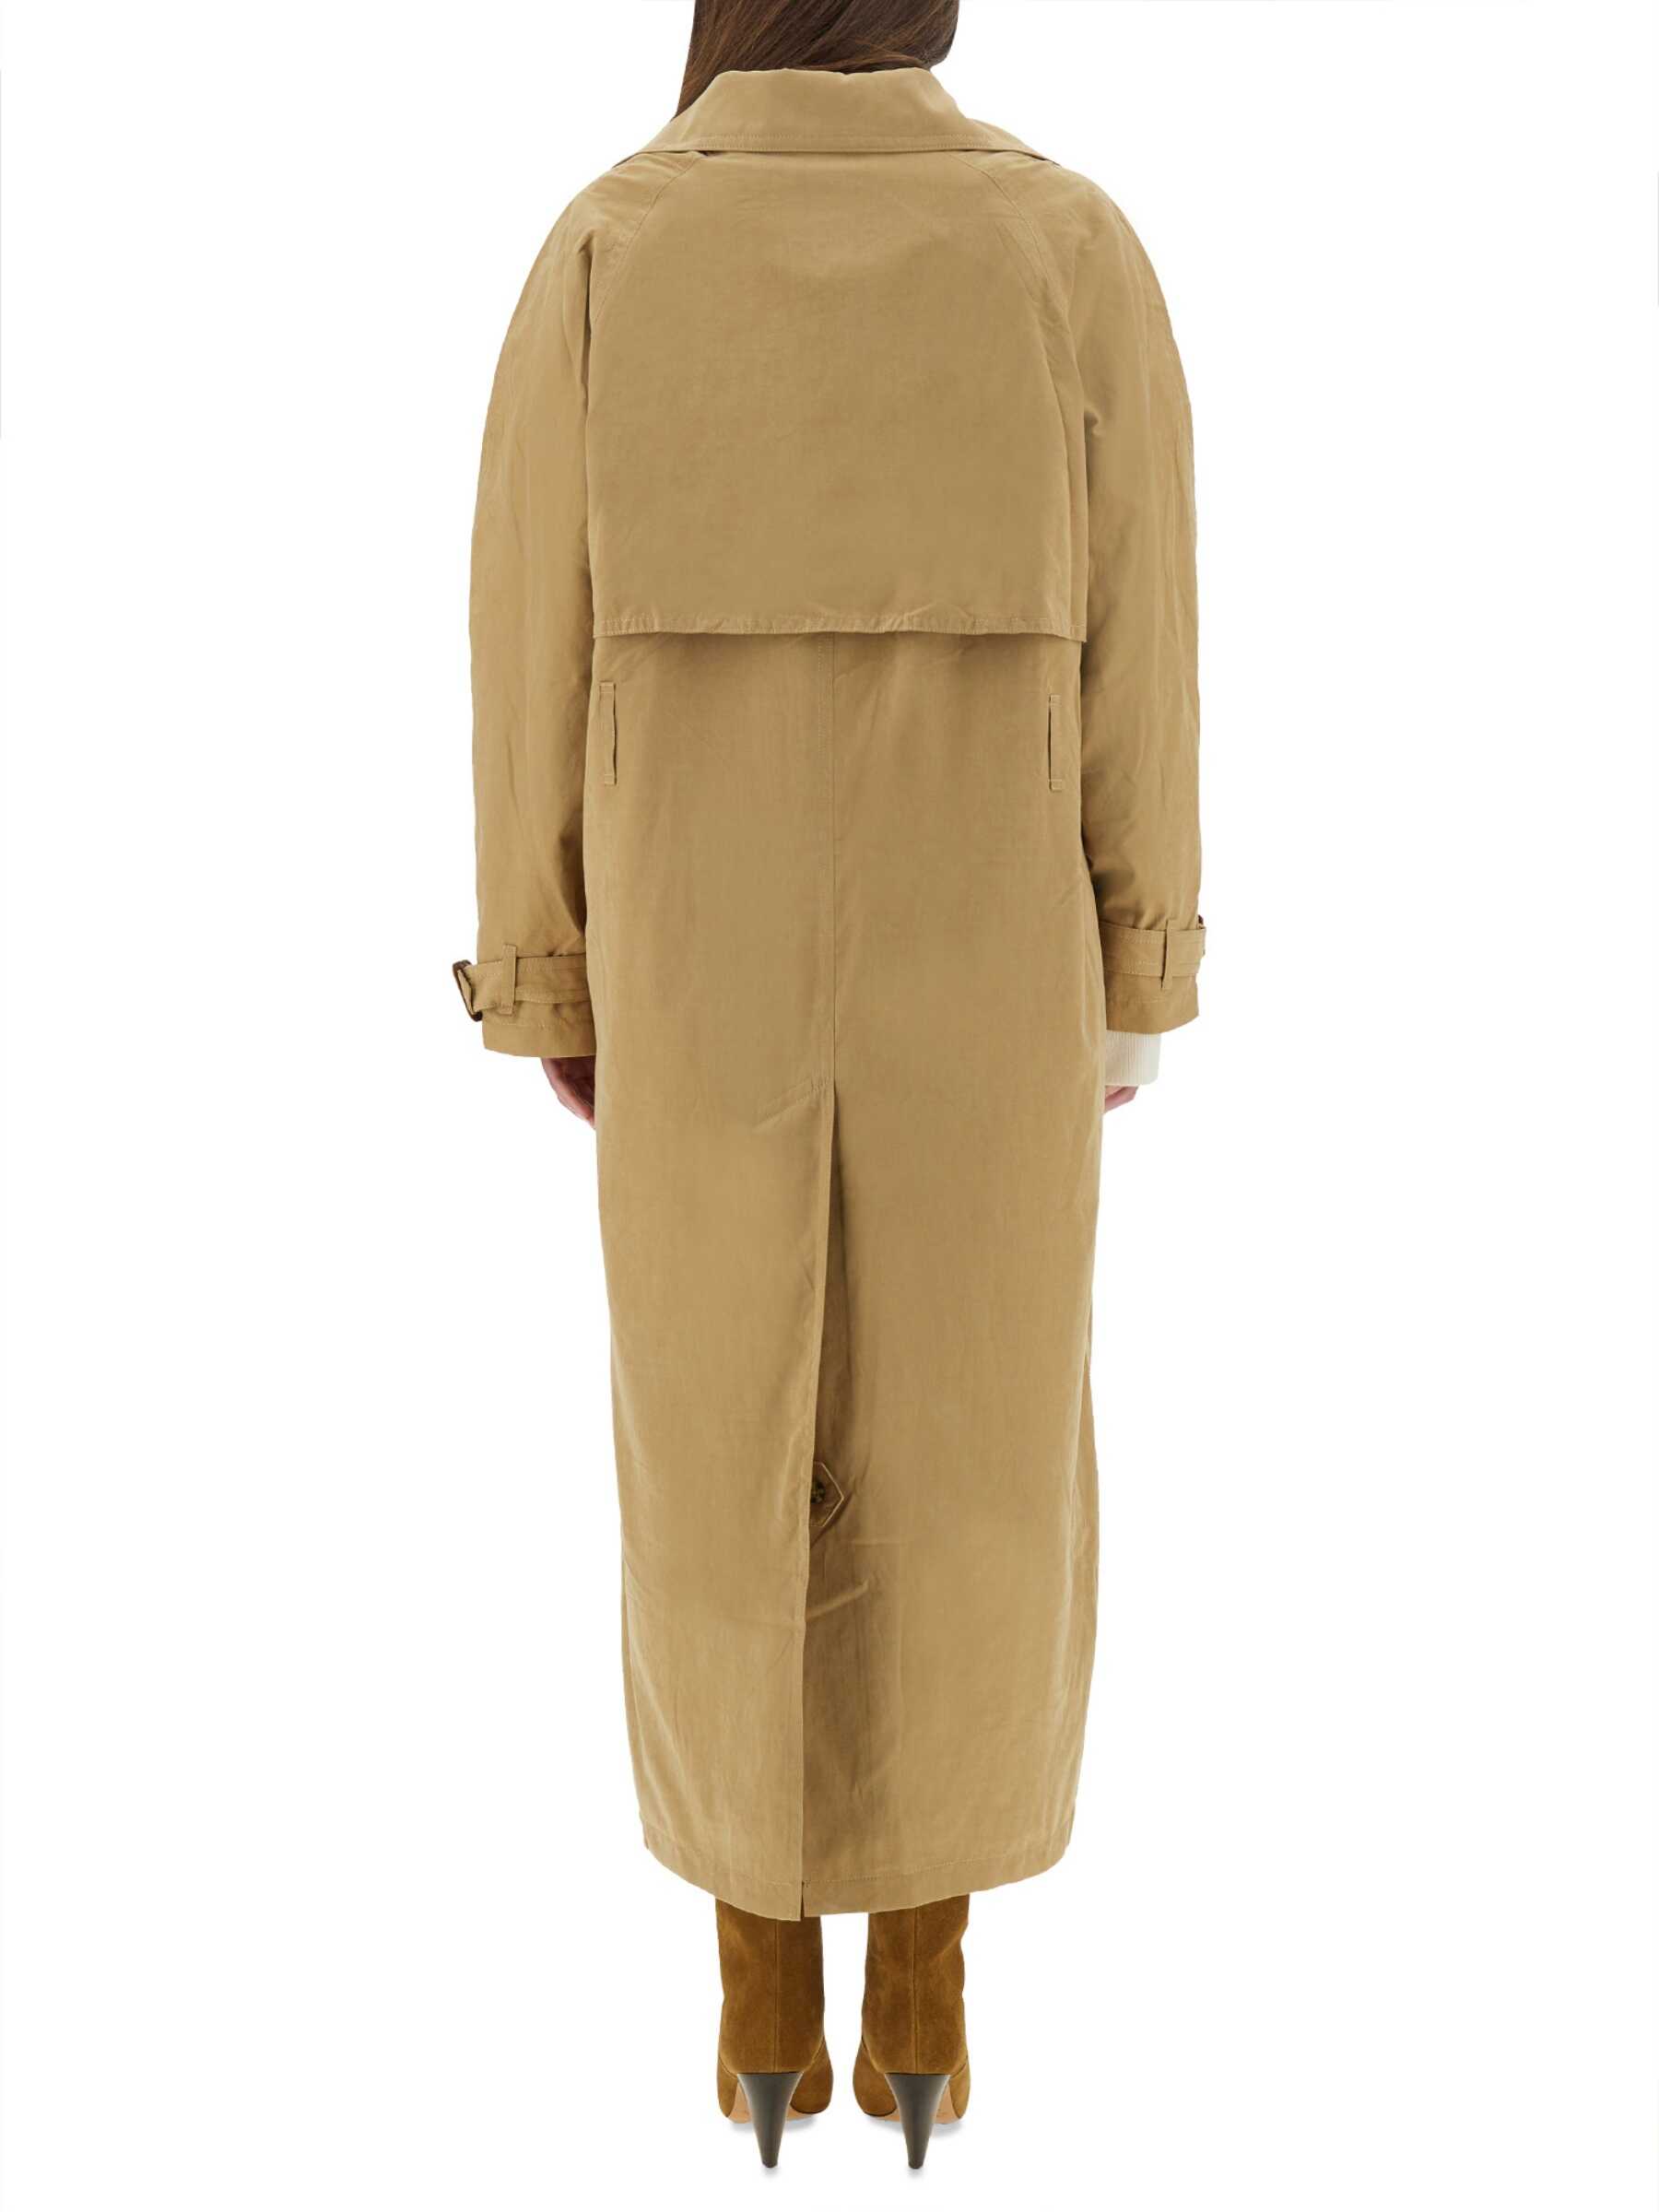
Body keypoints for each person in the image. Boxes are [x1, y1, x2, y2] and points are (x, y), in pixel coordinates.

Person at [453, 0, 1204, 2169]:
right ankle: (927, 1989)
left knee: (716, 1427)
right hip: (994, 939)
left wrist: (546, 963)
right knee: (976, 1441)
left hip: (700, 935)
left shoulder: (611, 246)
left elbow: (524, 636)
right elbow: (1149, 645)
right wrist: (1136, 962)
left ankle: (759, 1980)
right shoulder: (1068, 247)